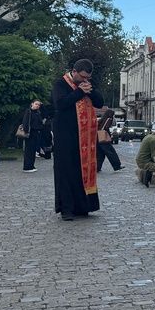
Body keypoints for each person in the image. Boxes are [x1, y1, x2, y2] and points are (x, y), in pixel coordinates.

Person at [52, 59, 104, 220]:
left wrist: (90, 91)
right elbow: (60, 104)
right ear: (74, 71)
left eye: (87, 77)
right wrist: (80, 92)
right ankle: (66, 209)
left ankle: (82, 206)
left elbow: (100, 103)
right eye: (82, 77)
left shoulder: (87, 84)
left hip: (85, 137)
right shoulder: (60, 84)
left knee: (81, 171)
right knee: (66, 172)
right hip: (65, 136)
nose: (84, 80)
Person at [19, 100, 45, 173]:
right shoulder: (29, 112)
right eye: (36, 104)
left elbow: (42, 118)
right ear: (32, 104)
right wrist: (26, 132)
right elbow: (25, 122)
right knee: (29, 150)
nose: (37, 106)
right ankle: (27, 167)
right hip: (30, 133)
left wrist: (42, 106)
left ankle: (31, 165)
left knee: (33, 150)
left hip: (36, 132)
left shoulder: (38, 113)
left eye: (38, 105)